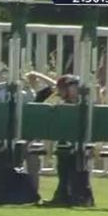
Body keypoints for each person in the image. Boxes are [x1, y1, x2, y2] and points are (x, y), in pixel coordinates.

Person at [27, 73, 95, 207]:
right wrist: (39, 76)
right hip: (65, 145)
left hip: (79, 146)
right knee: (64, 170)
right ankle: (63, 196)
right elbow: (53, 88)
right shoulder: (65, 104)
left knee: (77, 171)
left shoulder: (84, 104)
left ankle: (81, 197)